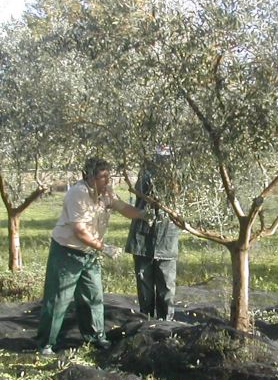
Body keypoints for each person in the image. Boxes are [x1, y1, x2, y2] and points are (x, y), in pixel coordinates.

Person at [37, 157, 153, 355]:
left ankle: (95, 337)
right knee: (59, 298)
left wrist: (144, 214)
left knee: (93, 295)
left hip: (89, 253)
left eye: (109, 176)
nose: (107, 181)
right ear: (90, 177)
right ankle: (46, 344)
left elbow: (123, 208)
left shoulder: (106, 192)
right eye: (103, 177)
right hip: (67, 252)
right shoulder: (78, 194)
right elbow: (79, 231)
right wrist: (104, 247)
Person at [124, 149, 180, 321]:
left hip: (167, 233)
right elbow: (140, 191)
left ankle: (166, 324)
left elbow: (178, 194)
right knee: (144, 284)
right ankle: (146, 322)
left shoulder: (177, 172)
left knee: (166, 284)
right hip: (142, 234)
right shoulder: (145, 172)